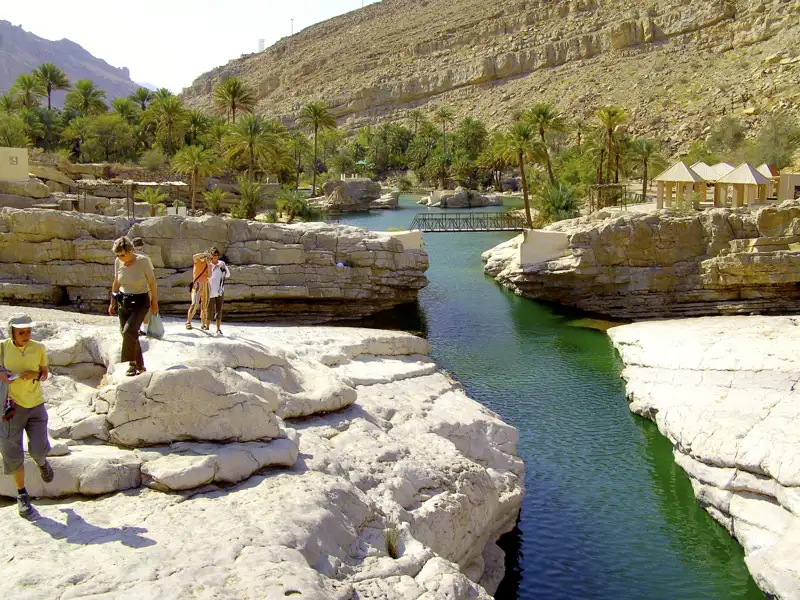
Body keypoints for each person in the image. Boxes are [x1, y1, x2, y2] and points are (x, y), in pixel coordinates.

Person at [0, 313, 53, 517]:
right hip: (11, 407)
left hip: (36, 405)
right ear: (11, 332)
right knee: (12, 453)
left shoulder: (38, 348)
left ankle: (42, 462)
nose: (26, 335)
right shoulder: (2, 347)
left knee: (38, 449)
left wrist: (35, 375)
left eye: (28, 331)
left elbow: (44, 374)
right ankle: (22, 495)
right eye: (21, 332)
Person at [109, 236, 158, 376]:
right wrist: (112, 302)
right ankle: (140, 365)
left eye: (123, 255)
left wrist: (155, 302)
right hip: (124, 301)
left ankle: (131, 365)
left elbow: (152, 282)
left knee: (129, 332)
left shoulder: (143, 261)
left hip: (140, 301)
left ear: (130, 251)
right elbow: (116, 282)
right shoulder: (118, 261)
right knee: (129, 334)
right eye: (118, 255)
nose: (120, 258)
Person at [131, 237, 154, 336]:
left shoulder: (129, 257)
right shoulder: (146, 257)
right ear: (142, 246)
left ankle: (135, 328)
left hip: (131, 286)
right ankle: (144, 329)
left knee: (134, 307)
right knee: (146, 307)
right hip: (145, 285)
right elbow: (151, 274)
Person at [186, 250, 212, 330]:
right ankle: (188, 322)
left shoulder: (209, 264)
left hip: (205, 285)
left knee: (205, 305)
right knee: (195, 303)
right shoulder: (197, 261)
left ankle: (203, 323)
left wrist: (208, 264)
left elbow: (209, 275)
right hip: (197, 284)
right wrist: (204, 254)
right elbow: (194, 256)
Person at [208, 247, 230, 335]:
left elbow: (228, 275)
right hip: (210, 291)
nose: (216, 257)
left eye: (217, 255)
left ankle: (218, 328)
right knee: (209, 309)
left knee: (219, 310)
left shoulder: (221, 263)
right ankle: (207, 327)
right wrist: (214, 268)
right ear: (211, 256)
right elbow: (209, 277)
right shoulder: (208, 265)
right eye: (214, 255)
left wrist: (224, 268)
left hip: (220, 290)